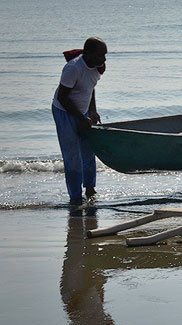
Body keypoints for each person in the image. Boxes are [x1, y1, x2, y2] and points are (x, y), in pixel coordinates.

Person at [52, 37, 107, 204]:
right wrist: (80, 118)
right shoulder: (73, 68)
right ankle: (75, 197)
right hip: (63, 111)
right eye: (100, 55)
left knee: (89, 151)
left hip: (82, 112)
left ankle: (90, 189)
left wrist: (92, 110)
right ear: (88, 54)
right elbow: (62, 97)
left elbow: (90, 87)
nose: (104, 59)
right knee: (73, 156)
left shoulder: (98, 67)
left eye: (105, 55)